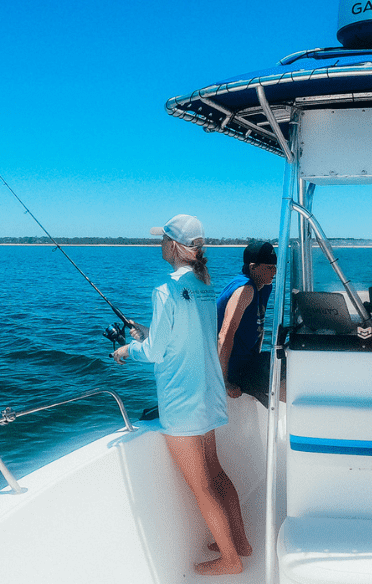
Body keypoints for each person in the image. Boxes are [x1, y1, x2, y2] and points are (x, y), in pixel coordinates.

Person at [113, 215, 250, 575]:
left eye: (162, 240)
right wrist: (147, 334)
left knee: (203, 487)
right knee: (217, 474)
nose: (158, 245)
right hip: (207, 395)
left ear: (173, 246)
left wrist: (129, 349)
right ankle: (241, 541)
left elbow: (157, 352)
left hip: (181, 402)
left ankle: (230, 560)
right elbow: (185, 335)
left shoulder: (164, 291)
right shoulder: (205, 284)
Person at [216, 240, 279, 405]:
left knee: (291, 365)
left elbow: (259, 329)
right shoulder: (245, 290)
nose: (274, 272)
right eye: (269, 267)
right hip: (232, 368)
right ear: (253, 267)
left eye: (275, 267)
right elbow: (224, 335)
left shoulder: (264, 286)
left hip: (247, 362)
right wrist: (223, 381)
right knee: (289, 379)